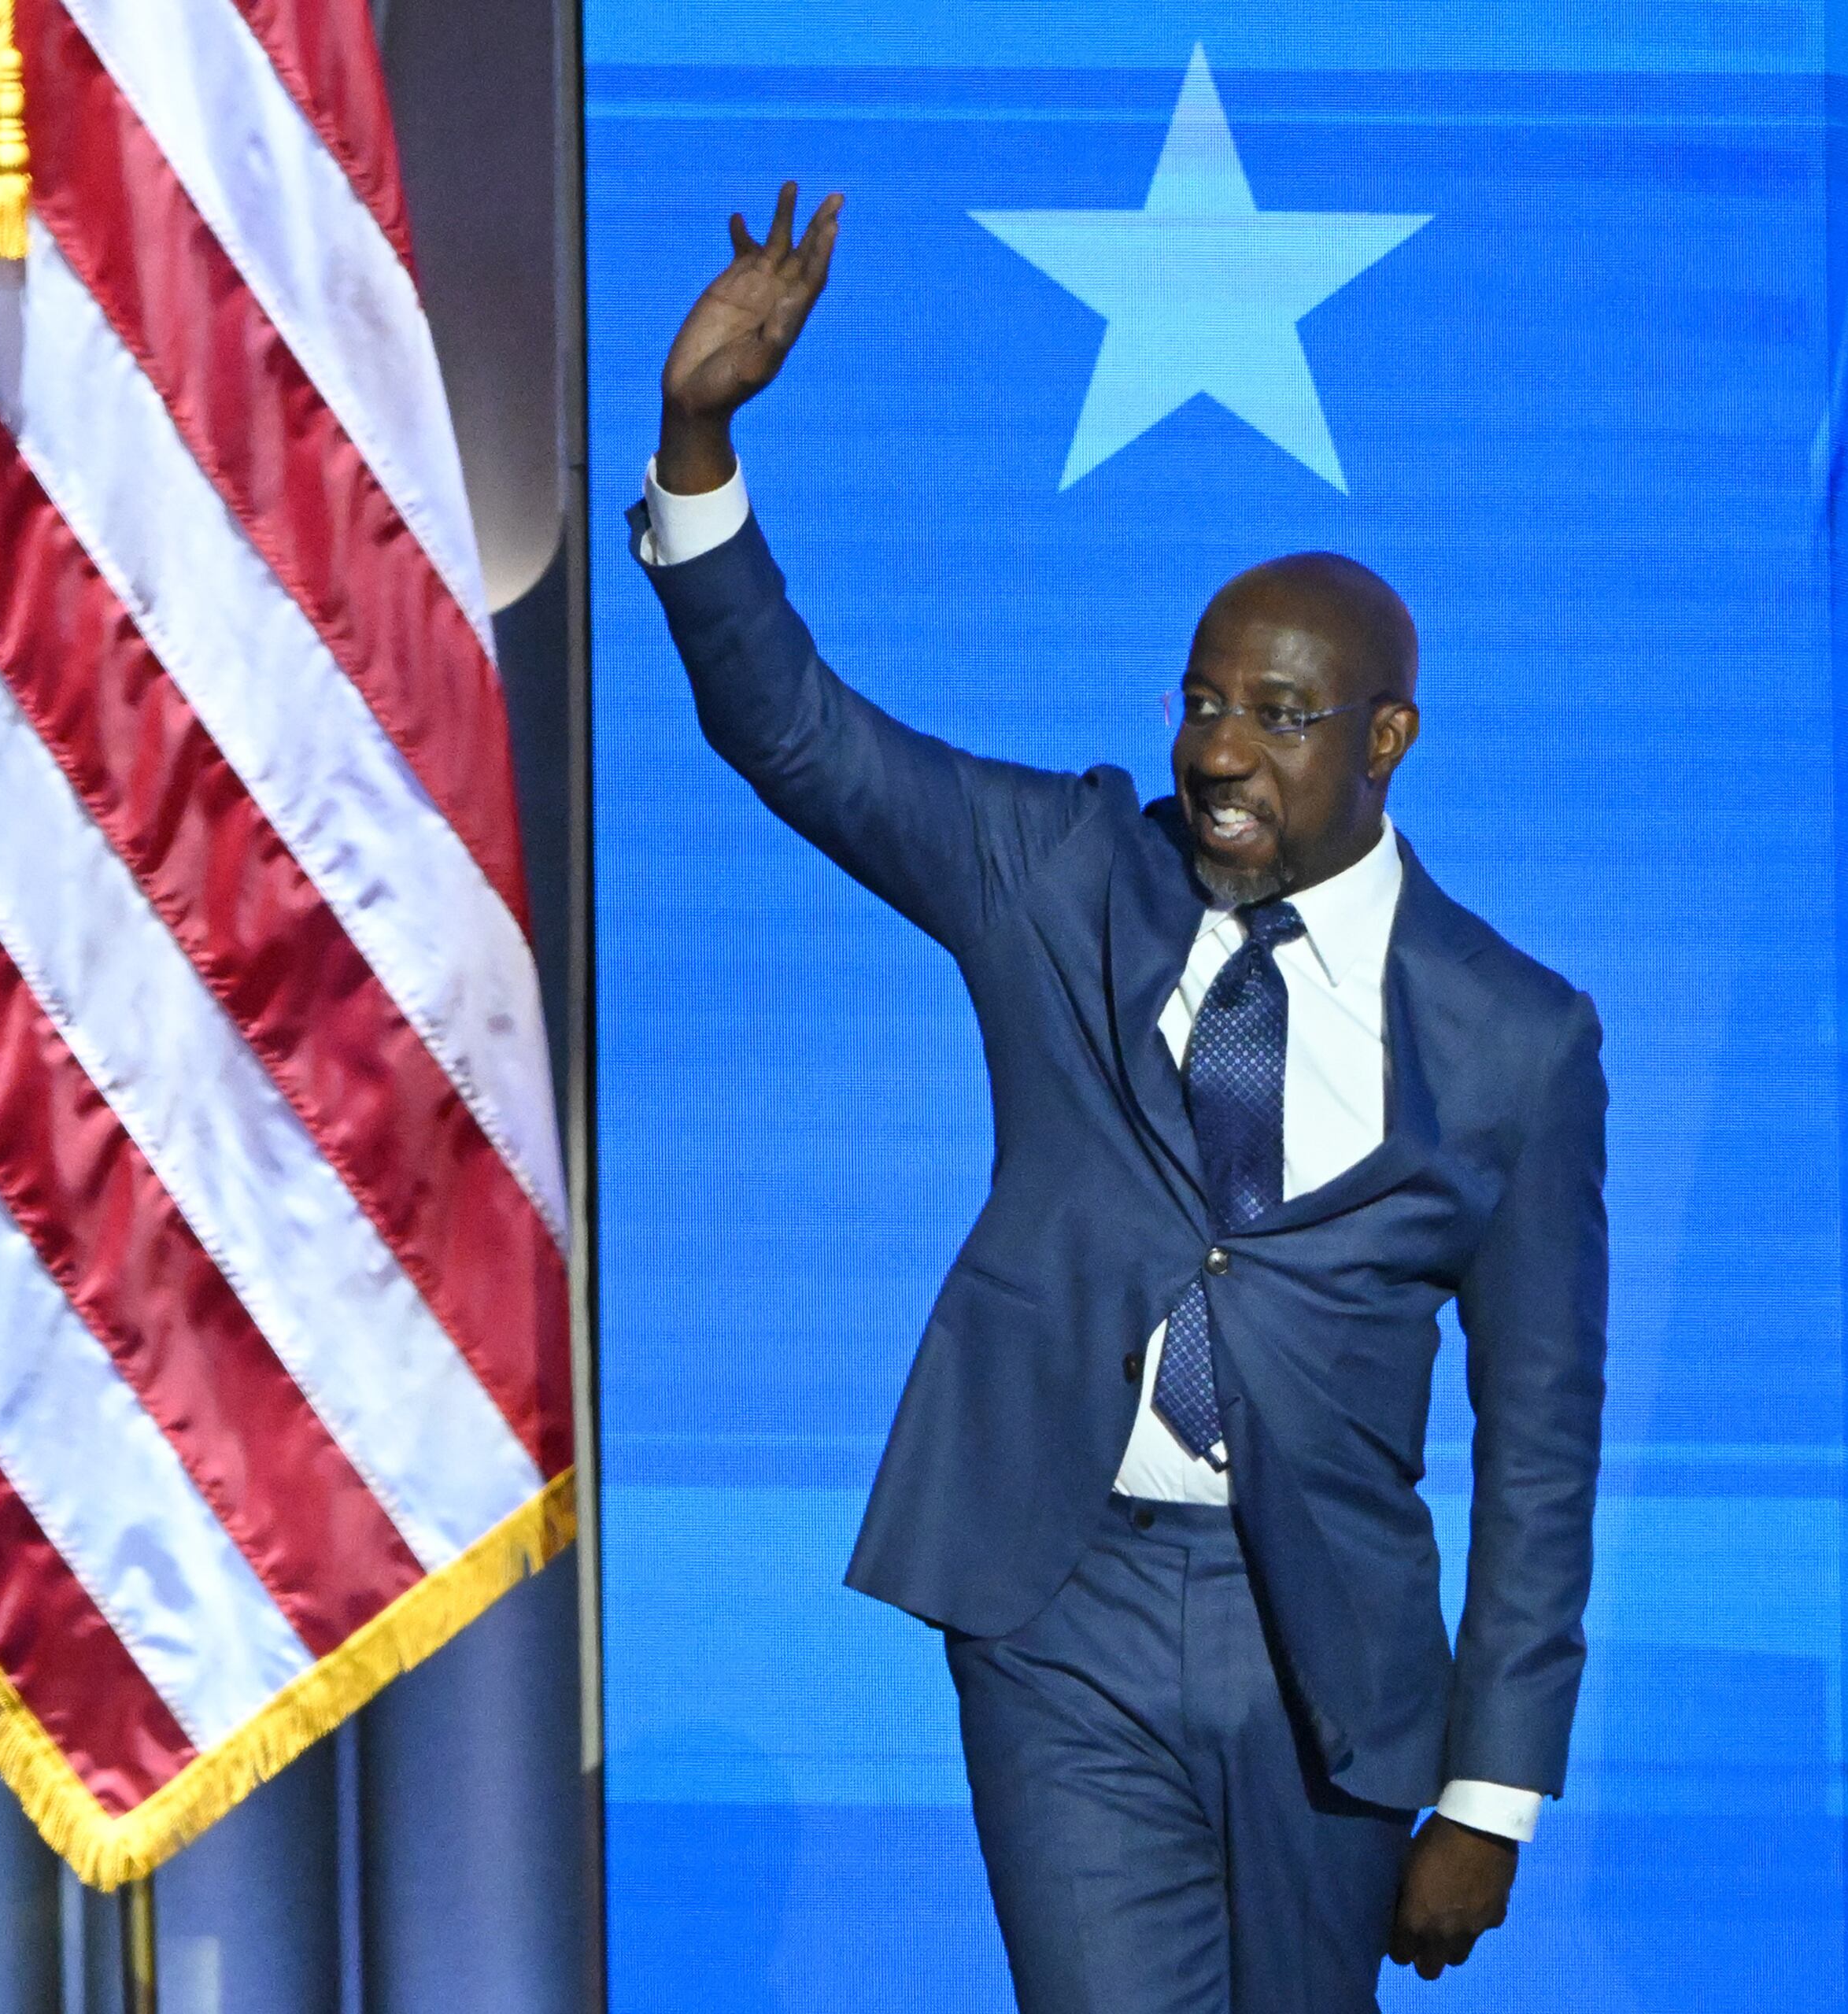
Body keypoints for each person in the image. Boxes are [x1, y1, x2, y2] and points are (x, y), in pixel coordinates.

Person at [634, 183, 1609, 2013]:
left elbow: (1543, 1439)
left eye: (1284, 716)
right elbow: (799, 732)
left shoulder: (1515, 1037)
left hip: (1327, 1646)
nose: (1224, 750)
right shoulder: (1062, 867)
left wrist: (1494, 1782)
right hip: (1057, 1594)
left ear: (1387, 734)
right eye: (1203, 702)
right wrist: (701, 444)